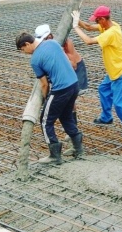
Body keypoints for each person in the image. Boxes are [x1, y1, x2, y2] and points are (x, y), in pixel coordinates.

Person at [71, 6, 122, 135]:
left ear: (103, 19)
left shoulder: (112, 32)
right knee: (103, 90)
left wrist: (75, 27)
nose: (96, 23)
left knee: (120, 103)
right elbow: (88, 27)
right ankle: (106, 118)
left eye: (97, 20)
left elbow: (88, 41)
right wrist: (77, 20)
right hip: (113, 70)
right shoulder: (108, 25)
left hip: (121, 71)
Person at [15, 32, 84, 165]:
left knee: (46, 121)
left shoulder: (35, 60)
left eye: (23, 49)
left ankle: (54, 155)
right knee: (66, 117)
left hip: (60, 89)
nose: (24, 52)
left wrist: (47, 99)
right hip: (74, 84)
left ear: (27, 44)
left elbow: (44, 84)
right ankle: (78, 148)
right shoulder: (52, 43)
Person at [34, 24, 88, 156]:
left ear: (49, 36)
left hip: (75, 73)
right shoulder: (51, 45)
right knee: (65, 113)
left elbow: (73, 64)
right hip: (67, 81)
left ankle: (61, 149)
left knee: (66, 108)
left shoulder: (63, 44)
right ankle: (76, 145)